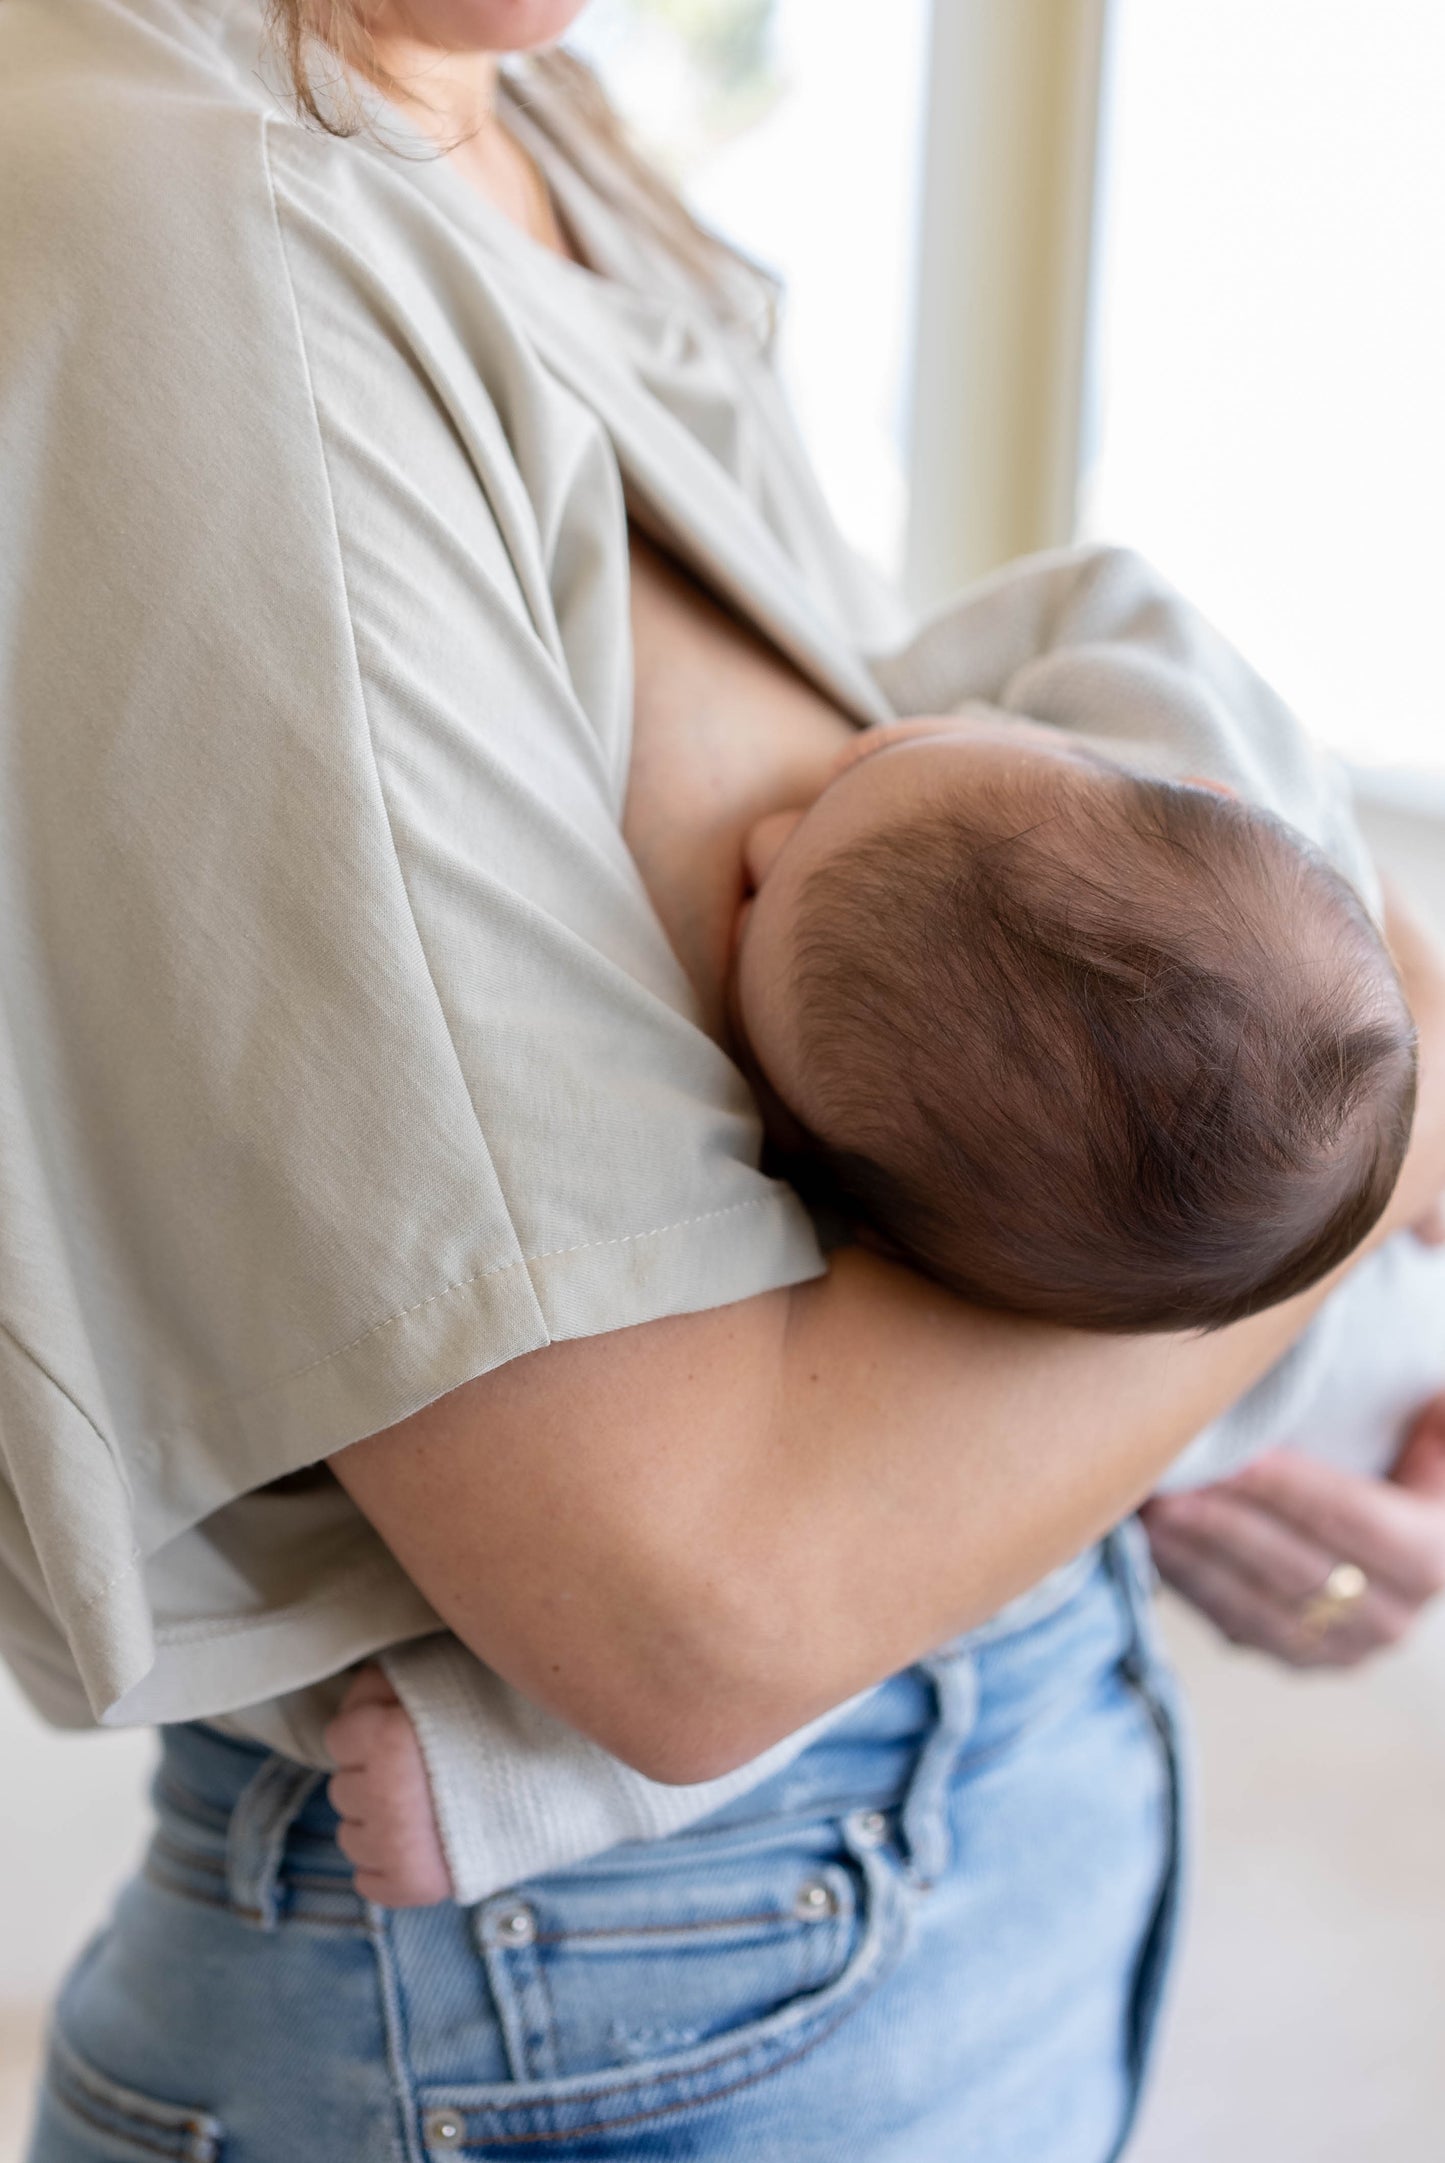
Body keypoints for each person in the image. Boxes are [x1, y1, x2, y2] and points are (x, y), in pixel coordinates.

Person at [4, 4, 1445, 2160]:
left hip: (979, 1794)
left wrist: (1299, 1248)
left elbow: (1145, 1056)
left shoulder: (530, 114)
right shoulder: (178, 222)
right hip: (595, 1983)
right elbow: (693, 1617)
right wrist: (1378, 1152)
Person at [321, 542, 1441, 1911]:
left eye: (870, 760)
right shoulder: (1184, 804)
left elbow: (842, 1607)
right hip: (1331, 1231)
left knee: (935, 1544)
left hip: (1354, 1384)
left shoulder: (1188, 736)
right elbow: (1102, 594)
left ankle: (533, 1785)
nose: (764, 831)